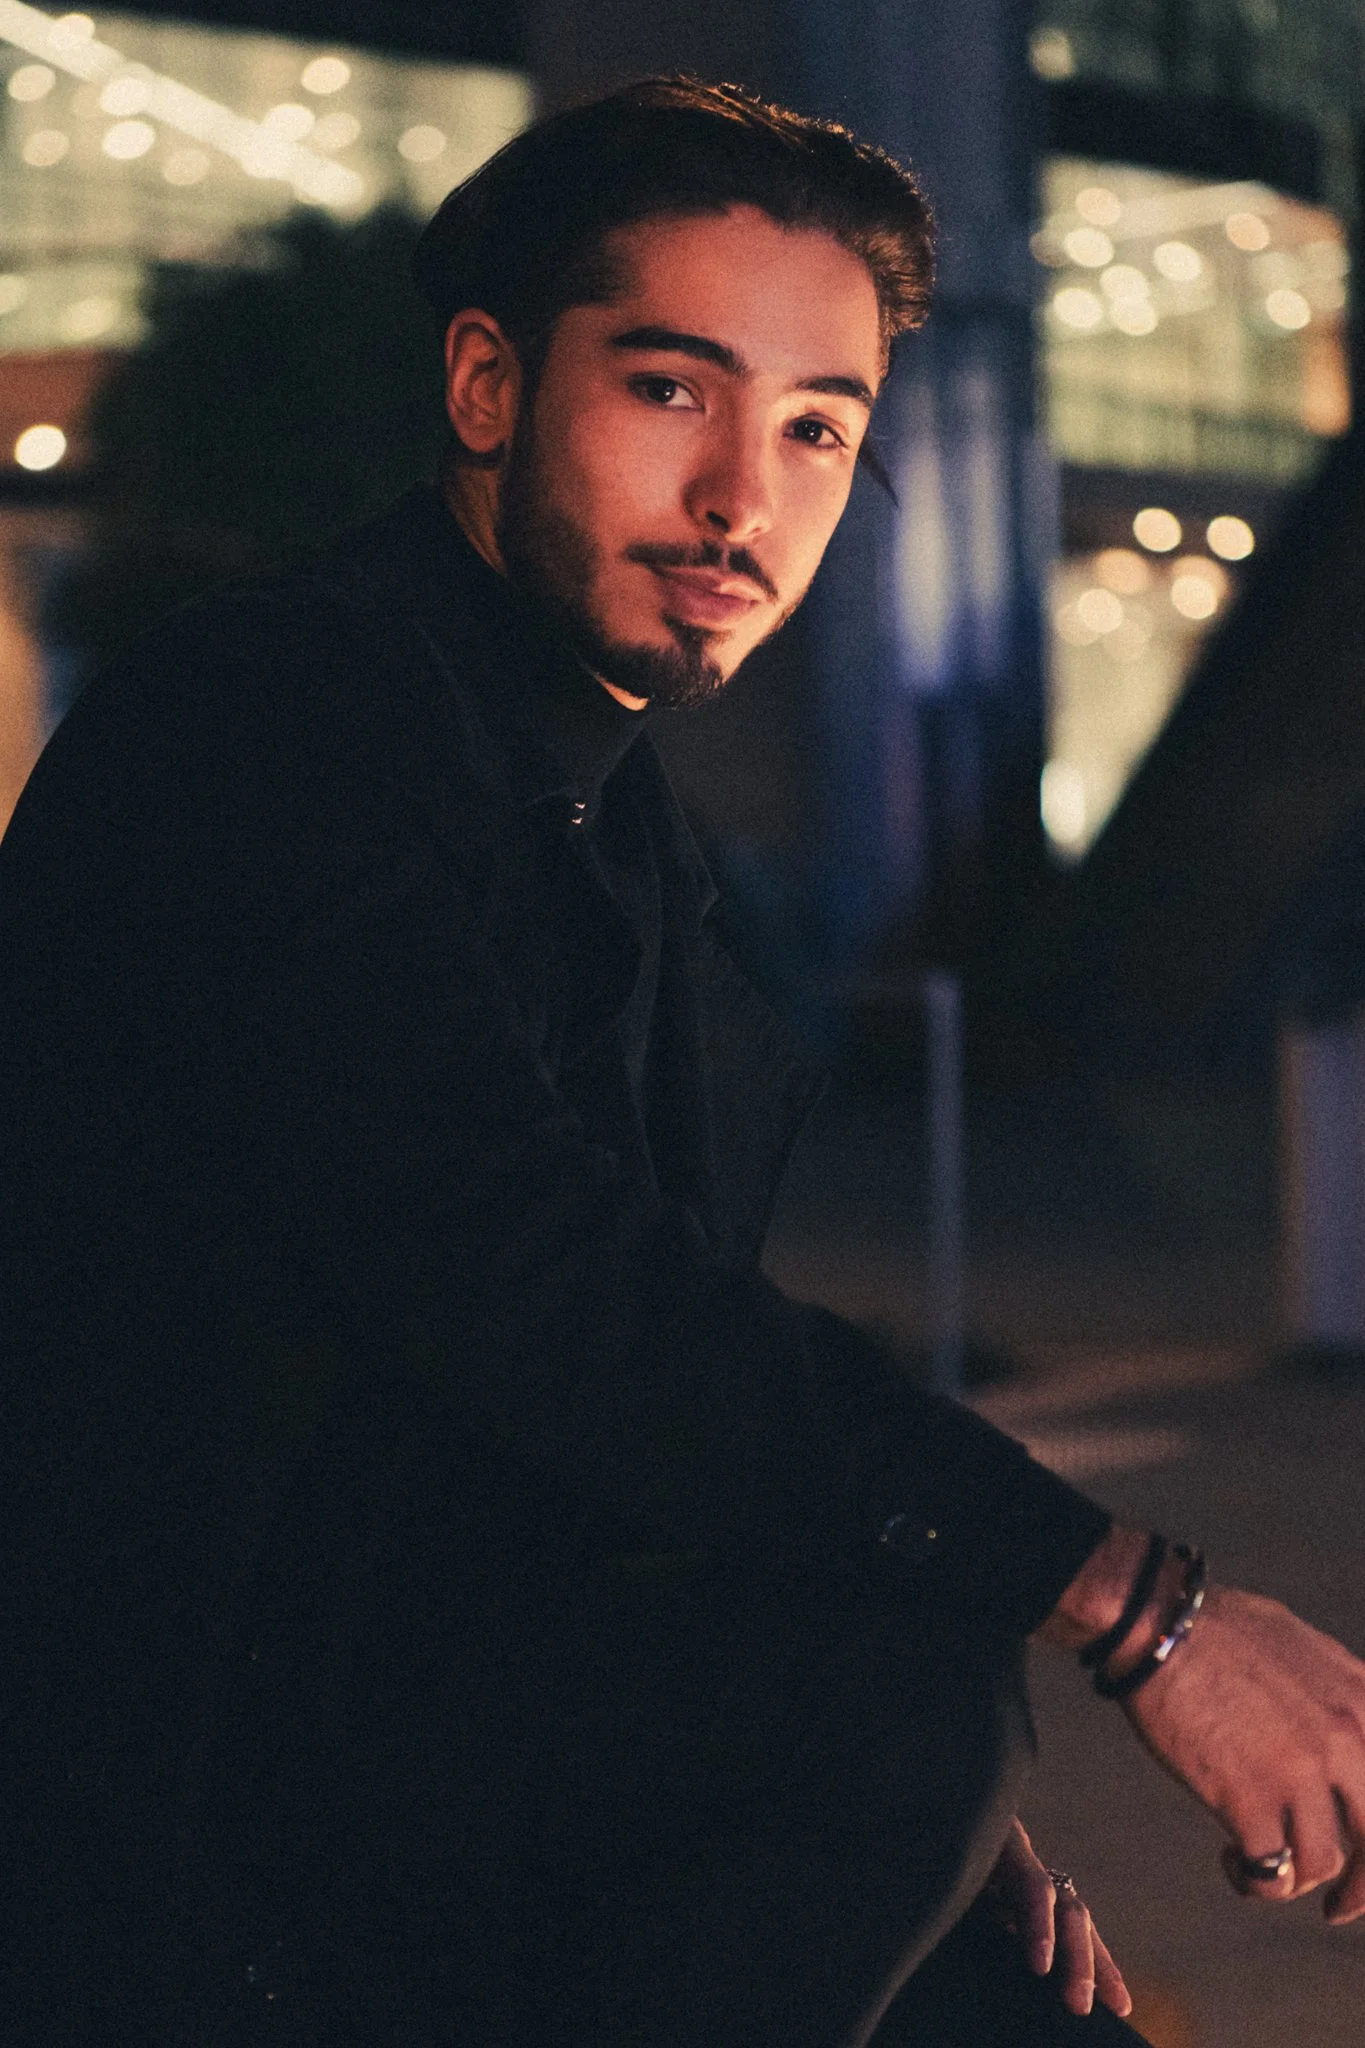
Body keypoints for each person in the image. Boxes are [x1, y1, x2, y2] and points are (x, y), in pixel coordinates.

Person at [3, 75, 1364, 2048]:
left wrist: (868, 1789)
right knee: (899, 1714)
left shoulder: (617, 824)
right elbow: (533, 1283)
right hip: (186, 1830)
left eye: (818, 428)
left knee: (1003, 1966)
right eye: (670, 390)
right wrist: (1139, 1612)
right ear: (487, 386)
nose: (746, 495)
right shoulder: (271, 730)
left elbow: (661, 1411)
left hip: (428, 1745)